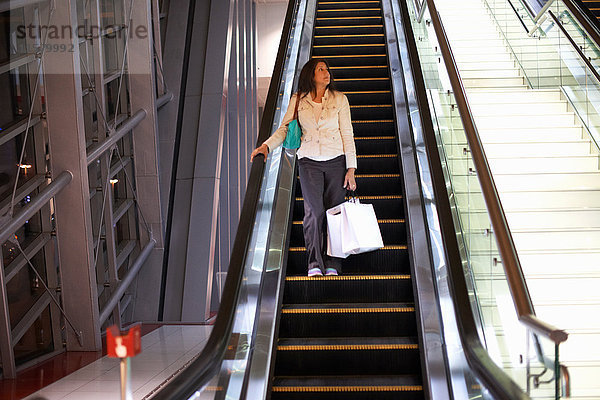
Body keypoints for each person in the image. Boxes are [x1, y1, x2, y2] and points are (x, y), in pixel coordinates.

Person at [250, 58, 357, 277]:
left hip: (336, 160)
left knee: (334, 213)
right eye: (321, 69)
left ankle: (333, 263)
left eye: (327, 69)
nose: (326, 72)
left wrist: (351, 169)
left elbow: (347, 133)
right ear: (311, 75)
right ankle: (314, 263)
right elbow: (284, 129)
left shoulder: (340, 99)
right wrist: (266, 147)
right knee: (314, 212)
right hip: (308, 162)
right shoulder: (298, 100)